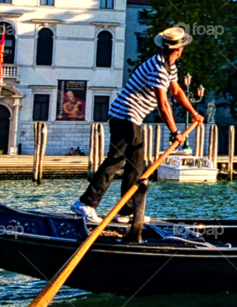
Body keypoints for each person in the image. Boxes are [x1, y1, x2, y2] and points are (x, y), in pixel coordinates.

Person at [70, 27, 203, 236]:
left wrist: (194, 113)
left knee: (137, 165)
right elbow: (163, 103)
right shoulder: (158, 68)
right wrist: (176, 131)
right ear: (178, 50)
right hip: (125, 115)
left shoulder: (171, 67)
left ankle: (126, 211)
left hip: (132, 118)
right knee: (116, 160)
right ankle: (85, 203)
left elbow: (176, 92)